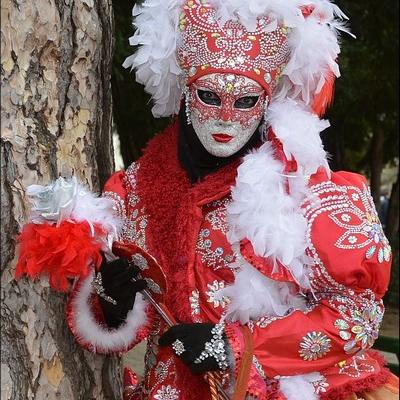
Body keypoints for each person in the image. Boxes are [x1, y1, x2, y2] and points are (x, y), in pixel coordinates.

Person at [16, 0, 399, 399]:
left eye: (245, 100)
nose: (226, 117)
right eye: (210, 97)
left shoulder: (303, 184)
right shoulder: (134, 191)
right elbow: (118, 329)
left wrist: (235, 346)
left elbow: (358, 316)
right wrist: (114, 304)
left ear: (266, 102)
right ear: (185, 93)